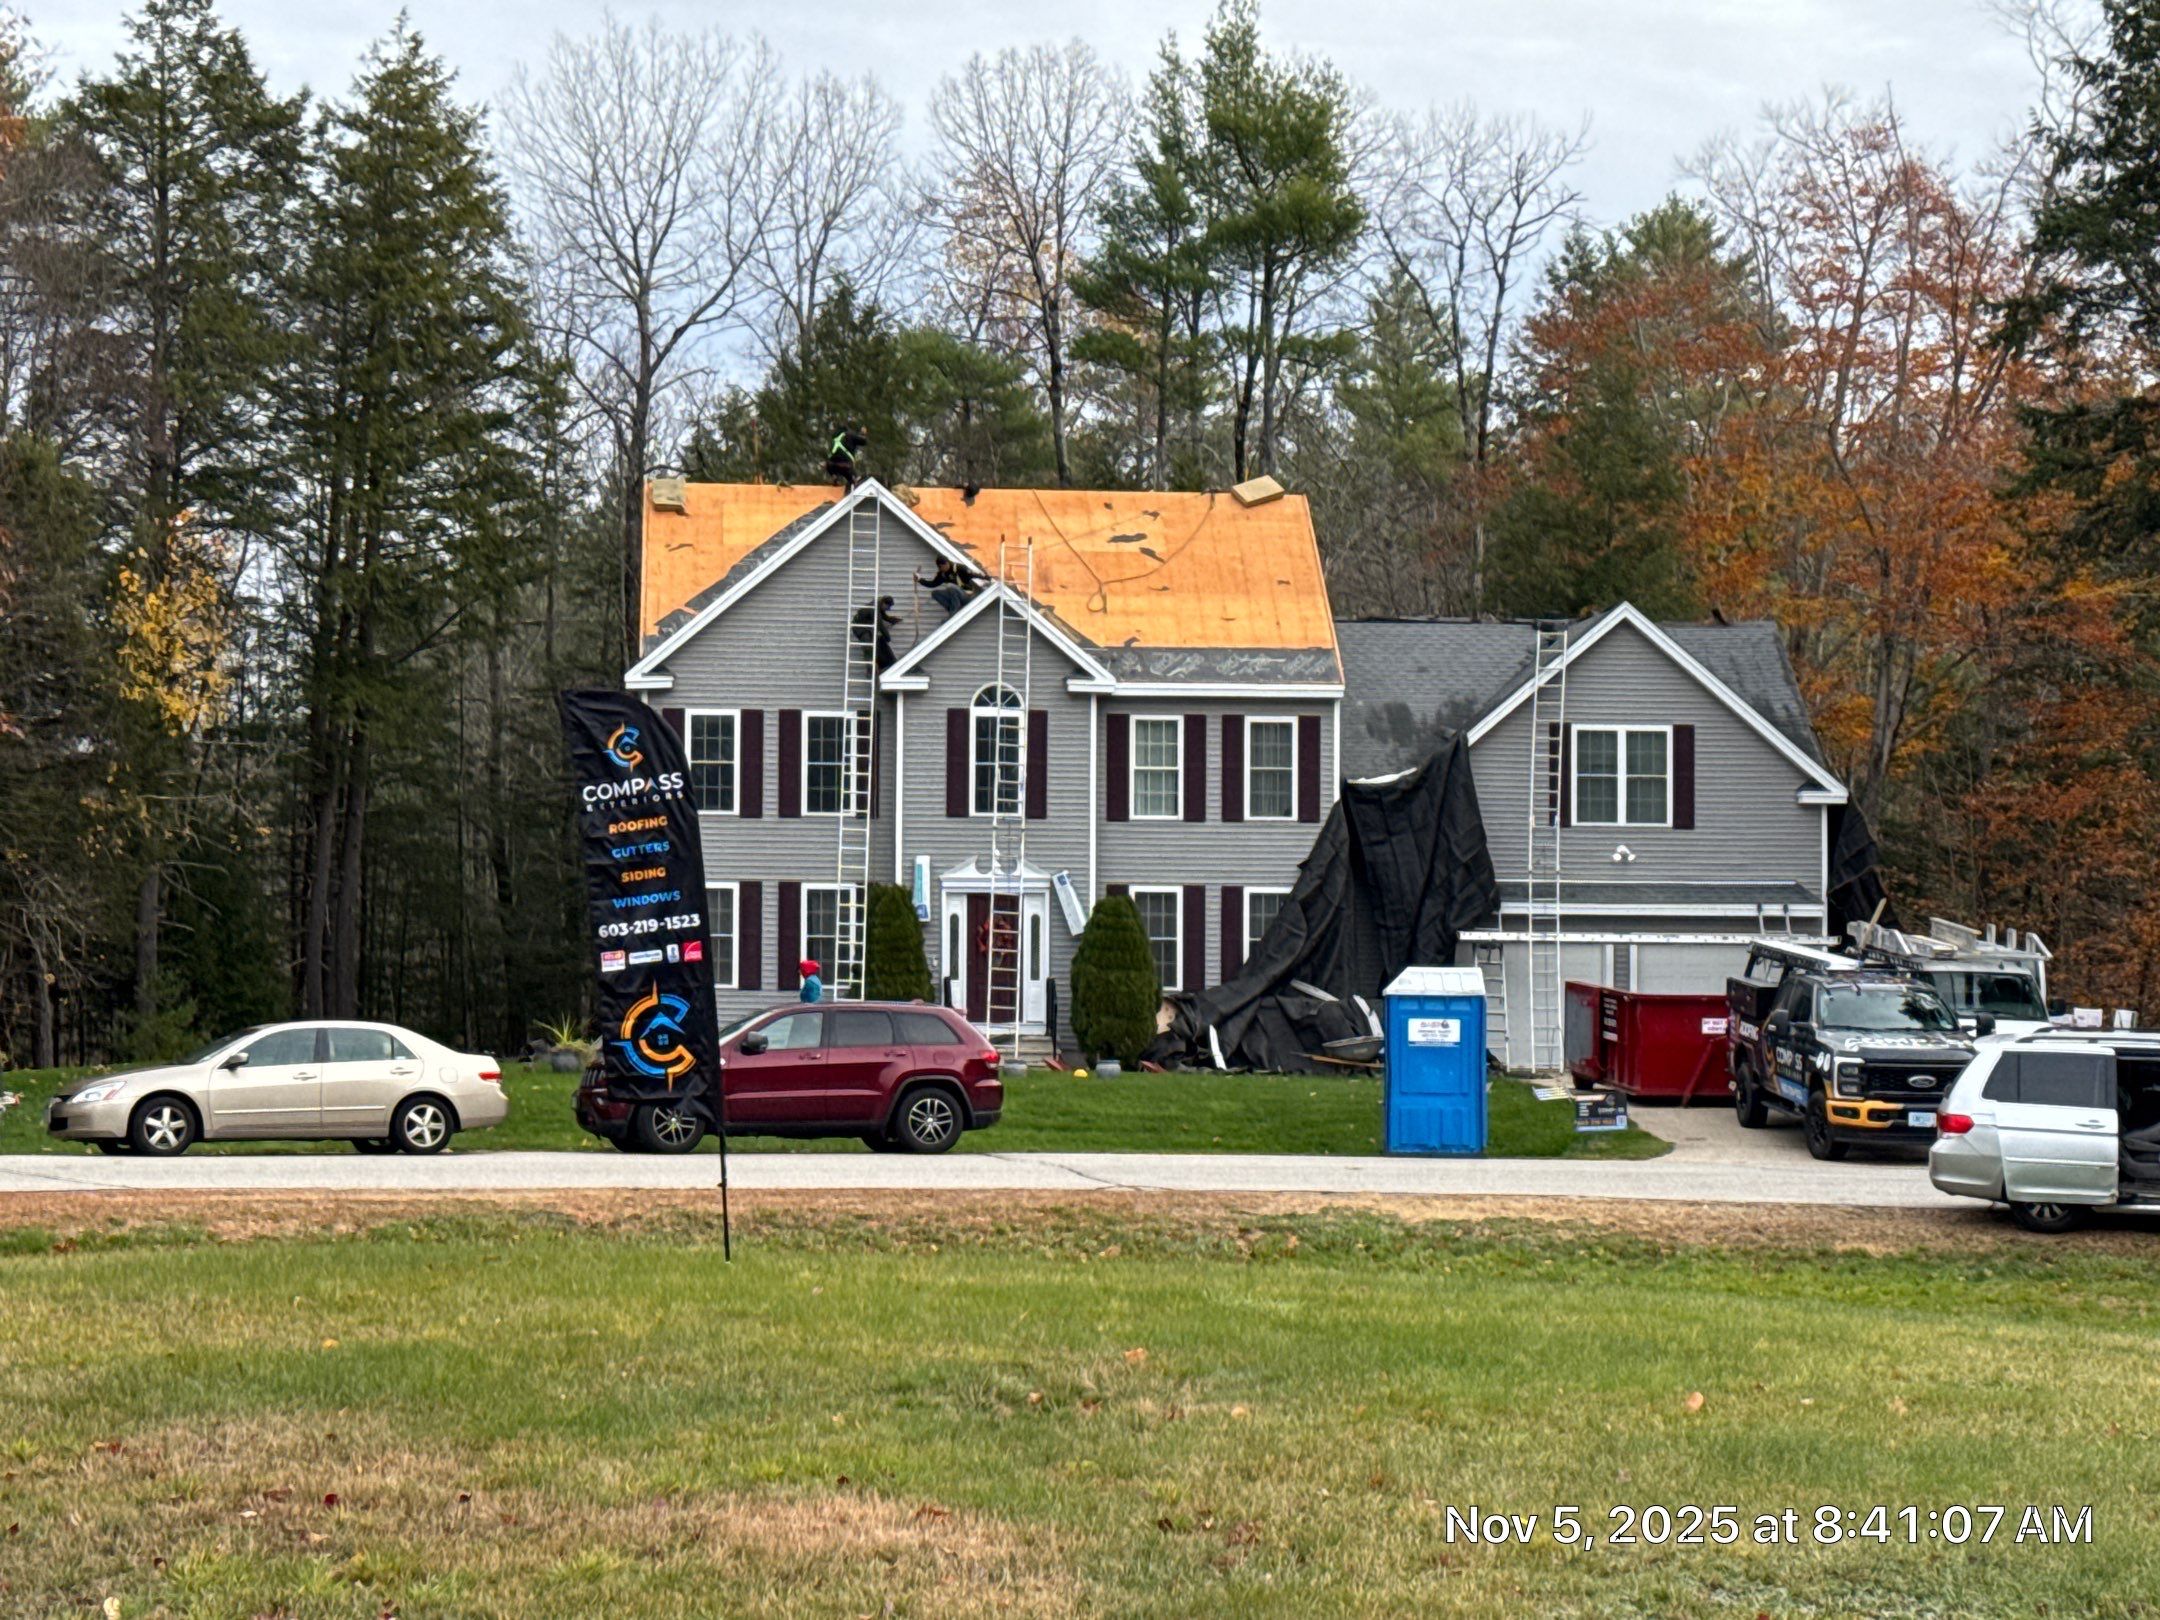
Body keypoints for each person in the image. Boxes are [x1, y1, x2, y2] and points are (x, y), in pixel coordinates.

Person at [918, 557, 983, 618]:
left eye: (941, 567)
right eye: (939, 567)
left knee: (950, 586)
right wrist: (920, 580)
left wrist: (986, 577)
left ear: (946, 564)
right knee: (935, 593)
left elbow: (973, 574)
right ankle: (952, 609)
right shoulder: (942, 574)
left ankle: (954, 612)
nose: (940, 569)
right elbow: (932, 584)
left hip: (966, 595)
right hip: (954, 596)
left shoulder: (959, 567)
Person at [850, 595, 900, 670]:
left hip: (867, 627)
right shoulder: (874, 609)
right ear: (884, 603)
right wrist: (888, 638)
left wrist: (891, 620)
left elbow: (883, 615)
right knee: (869, 647)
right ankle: (871, 670)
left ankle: (884, 664)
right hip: (860, 628)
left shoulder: (879, 604)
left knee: (880, 642)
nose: (889, 609)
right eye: (888, 607)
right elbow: (880, 625)